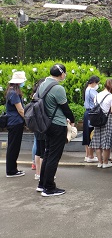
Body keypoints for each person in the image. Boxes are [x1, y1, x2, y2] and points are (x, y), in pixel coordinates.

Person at [36, 64, 75, 197]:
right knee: (53, 156)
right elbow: (65, 108)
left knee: (47, 154)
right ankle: (49, 188)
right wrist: (72, 119)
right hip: (57, 124)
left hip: (46, 124)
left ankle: (42, 184)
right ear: (62, 74)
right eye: (65, 73)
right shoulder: (58, 88)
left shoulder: (43, 84)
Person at [89, 79, 112, 169]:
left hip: (97, 119)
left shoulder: (97, 95)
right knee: (106, 141)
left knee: (97, 141)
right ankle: (105, 163)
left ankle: (99, 162)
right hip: (107, 119)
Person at [5, 71, 27, 178]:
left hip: (13, 122)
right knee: (14, 147)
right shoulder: (14, 93)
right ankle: (11, 170)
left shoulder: (11, 91)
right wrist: (28, 119)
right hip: (15, 123)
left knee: (13, 146)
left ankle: (12, 169)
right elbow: (20, 110)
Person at [82, 76, 100, 163]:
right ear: (93, 82)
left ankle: (87, 155)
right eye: (97, 83)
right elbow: (98, 100)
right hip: (92, 114)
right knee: (91, 134)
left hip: (87, 113)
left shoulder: (87, 89)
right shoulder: (91, 90)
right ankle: (90, 156)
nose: (97, 85)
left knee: (87, 134)